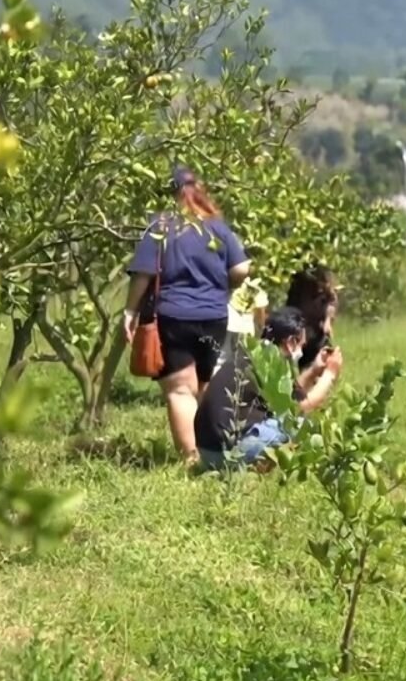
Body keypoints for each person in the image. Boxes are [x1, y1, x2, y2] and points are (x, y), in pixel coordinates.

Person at [123, 165, 251, 464]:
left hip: (173, 316)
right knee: (205, 387)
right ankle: (218, 452)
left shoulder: (160, 226)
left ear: (170, 194)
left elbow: (143, 273)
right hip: (214, 317)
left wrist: (129, 311)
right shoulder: (217, 228)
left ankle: (192, 459)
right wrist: (222, 284)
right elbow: (241, 269)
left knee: (181, 391)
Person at [194, 306, 343, 471]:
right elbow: (301, 406)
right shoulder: (271, 363)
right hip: (227, 455)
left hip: (207, 453)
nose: (301, 349)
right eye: (301, 344)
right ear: (290, 342)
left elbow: (291, 396)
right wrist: (330, 373)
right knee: (301, 425)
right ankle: (253, 471)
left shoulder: (256, 354)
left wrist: (314, 369)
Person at [286, 265, 339, 371]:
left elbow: (332, 301)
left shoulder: (325, 287)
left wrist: (328, 321)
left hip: (318, 334)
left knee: (321, 364)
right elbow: (292, 311)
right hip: (301, 334)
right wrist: (300, 331)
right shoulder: (298, 289)